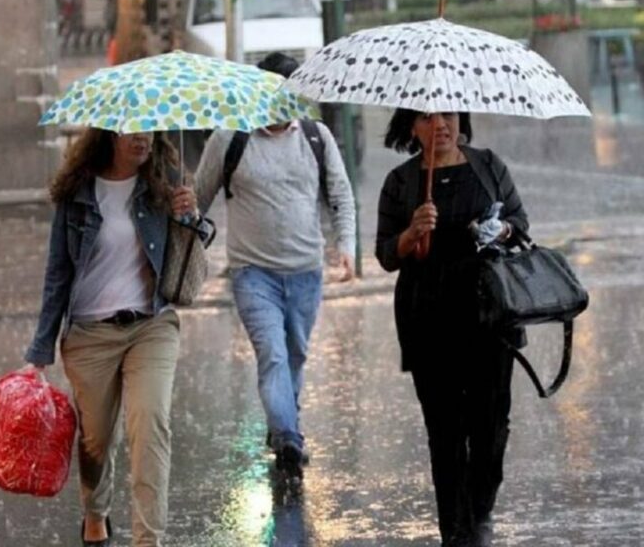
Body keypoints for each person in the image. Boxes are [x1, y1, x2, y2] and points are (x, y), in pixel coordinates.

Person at [24, 128, 200, 547]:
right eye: (131, 132)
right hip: (90, 334)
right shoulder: (79, 190)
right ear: (108, 134)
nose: (142, 140)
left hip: (151, 325)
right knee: (96, 440)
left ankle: (147, 539)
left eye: (149, 131)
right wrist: (41, 348)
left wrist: (188, 217)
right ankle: (95, 509)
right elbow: (58, 272)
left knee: (151, 424)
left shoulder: (164, 180)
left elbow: (187, 253)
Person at [194, 52, 357, 478]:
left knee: (296, 355)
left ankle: (284, 423)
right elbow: (199, 198)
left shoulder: (316, 136)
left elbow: (340, 194)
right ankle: (287, 436)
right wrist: (180, 235)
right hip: (253, 274)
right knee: (273, 355)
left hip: (306, 270)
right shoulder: (230, 138)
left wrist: (347, 247)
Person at [375, 110, 529, 547]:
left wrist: (500, 231)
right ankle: (456, 533)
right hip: (428, 320)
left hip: (490, 316)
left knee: (490, 427)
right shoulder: (402, 182)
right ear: (411, 127)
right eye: (427, 118)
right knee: (444, 431)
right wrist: (412, 233)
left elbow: (520, 224)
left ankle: (479, 511)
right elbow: (386, 254)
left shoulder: (488, 165)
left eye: (449, 114)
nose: (440, 124)